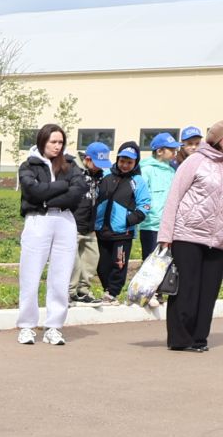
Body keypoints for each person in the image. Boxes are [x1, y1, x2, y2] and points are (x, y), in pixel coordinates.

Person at [14, 123, 87, 346]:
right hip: (38, 220)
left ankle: (54, 326)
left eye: (61, 142)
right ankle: (26, 326)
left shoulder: (71, 165)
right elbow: (32, 192)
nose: (57, 146)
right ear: (42, 141)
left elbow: (78, 191)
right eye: (53, 142)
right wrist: (61, 188)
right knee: (31, 273)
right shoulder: (29, 165)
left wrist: (47, 197)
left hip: (64, 220)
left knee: (61, 275)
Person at [158, 120, 223, 352]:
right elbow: (174, 196)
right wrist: (165, 234)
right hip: (188, 235)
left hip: (218, 240)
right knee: (187, 288)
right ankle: (180, 338)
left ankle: (198, 339)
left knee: (208, 292)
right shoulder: (196, 161)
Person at [93, 143, 151, 299]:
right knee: (101, 265)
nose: (125, 165)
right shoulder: (105, 175)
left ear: (135, 163)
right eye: (122, 161)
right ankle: (107, 289)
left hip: (122, 233)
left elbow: (145, 204)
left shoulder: (137, 181)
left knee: (119, 264)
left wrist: (129, 220)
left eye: (129, 162)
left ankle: (113, 292)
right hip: (101, 229)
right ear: (117, 159)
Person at [69, 142, 110, 304]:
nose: (99, 168)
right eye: (97, 164)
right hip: (73, 224)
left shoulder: (98, 174)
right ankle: (69, 292)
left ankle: (83, 290)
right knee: (73, 262)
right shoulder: (73, 171)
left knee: (92, 259)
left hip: (89, 225)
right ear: (87, 159)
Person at [140, 132, 179, 259]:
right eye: (171, 149)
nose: (175, 151)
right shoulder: (147, 170)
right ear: (160, 151)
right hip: (151, 225)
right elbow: (142, 197)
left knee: (166, 262)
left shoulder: (172, 171)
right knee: (151, 263)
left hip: (169, 225)